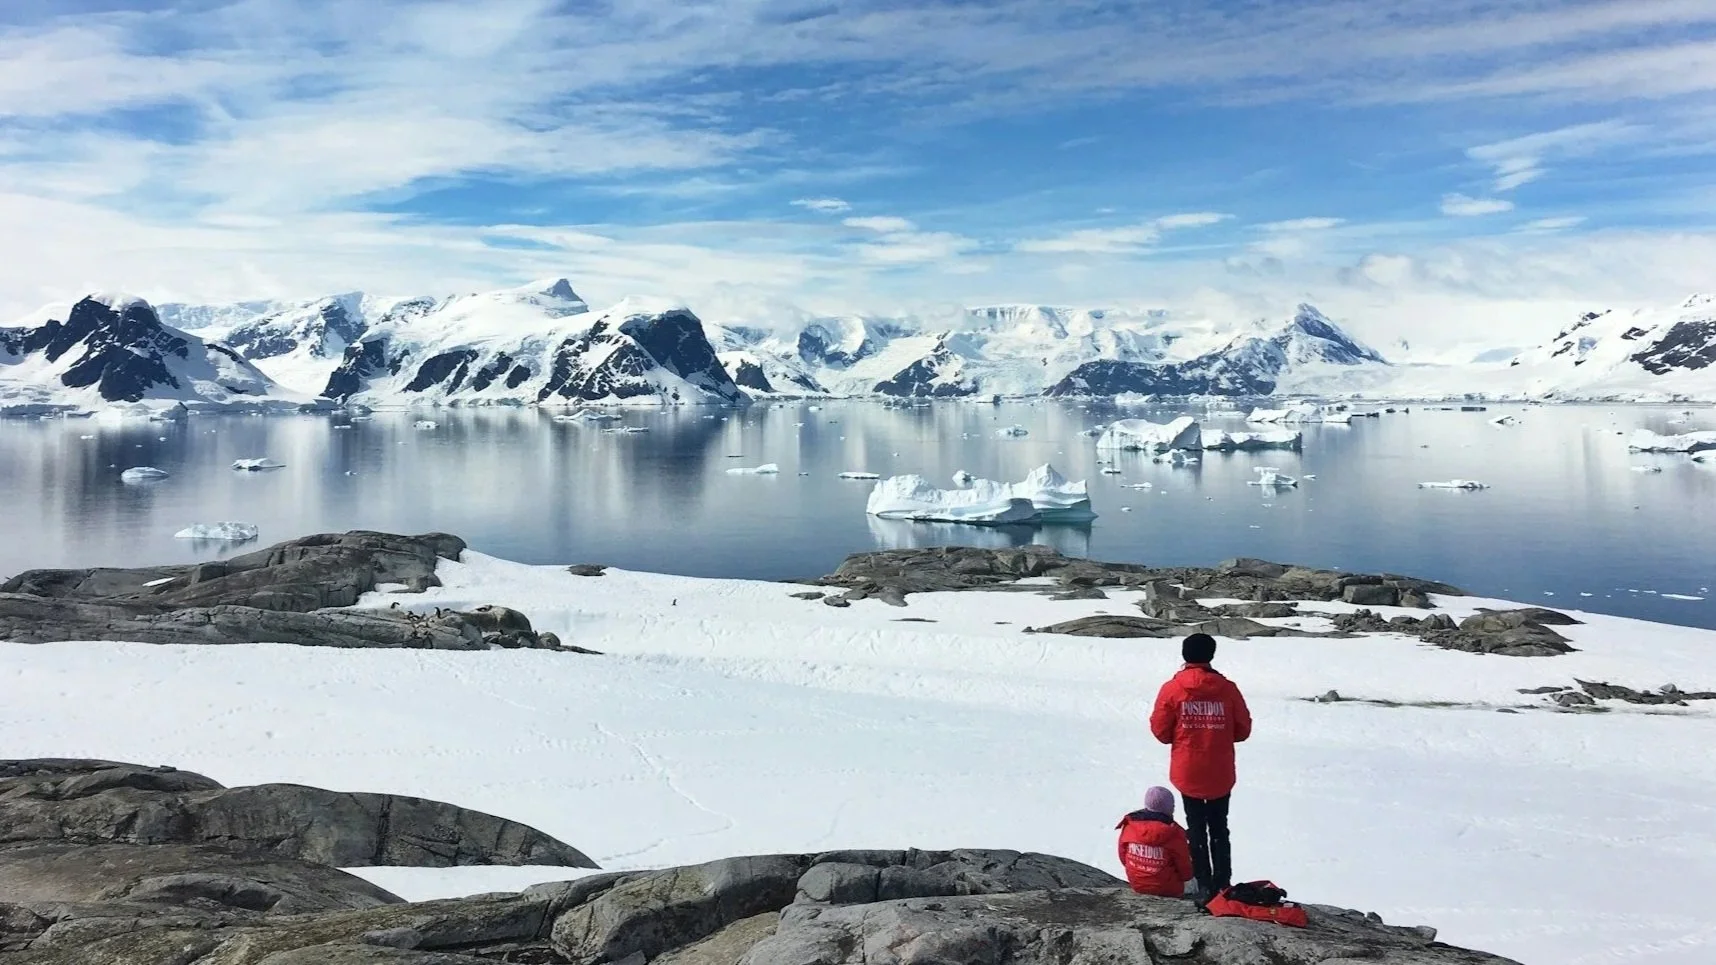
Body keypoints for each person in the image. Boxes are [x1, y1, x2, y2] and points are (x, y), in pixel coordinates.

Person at [1150, 632, 1251, 900]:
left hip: (1188, 769)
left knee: (1195, 826)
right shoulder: (1227, 689)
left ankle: (1203, 883)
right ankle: (1223, 883)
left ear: (1185, 655)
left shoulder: (1172, 689)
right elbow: (1243, 730)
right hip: (1219, 770)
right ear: (1211, 655)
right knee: (1219, 827)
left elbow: (1160, 732)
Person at [1116, 785, 1195, 898]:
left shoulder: (1130, 826)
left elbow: (1123, 857)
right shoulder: (1174, 833)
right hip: (1169, 889)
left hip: (1138, 885)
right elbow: (1186, 871)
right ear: (1170, 808)